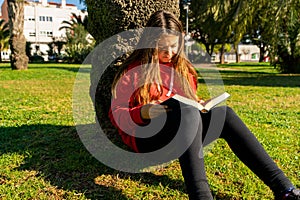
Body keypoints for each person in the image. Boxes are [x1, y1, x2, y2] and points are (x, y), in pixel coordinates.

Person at [108, 10, 299, 200]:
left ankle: (285, 189)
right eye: (161, 46)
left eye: (174, 46)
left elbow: (188, 102)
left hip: (182, 134)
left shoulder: (184, 70)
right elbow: (116, 114)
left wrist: (199, 104)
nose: (169, 52)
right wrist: (144, 112)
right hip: (148, 140)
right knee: (189, 114)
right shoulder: (133, 72)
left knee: (225, 114)